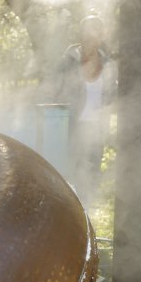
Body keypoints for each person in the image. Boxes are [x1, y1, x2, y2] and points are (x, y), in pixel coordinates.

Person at [54, 14, 117, 207]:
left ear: (101, 36)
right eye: (87, 33)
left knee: (91, 182)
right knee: (69, 180)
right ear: (81, 35)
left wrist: (109, 109)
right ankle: (71, 222)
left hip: (96, 131)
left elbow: (112, 97)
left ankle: (87, 223)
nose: (91, 38)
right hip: (72, 128)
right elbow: (56, 92)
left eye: (95, 33)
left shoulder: (108, 64)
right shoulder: (68, 61)